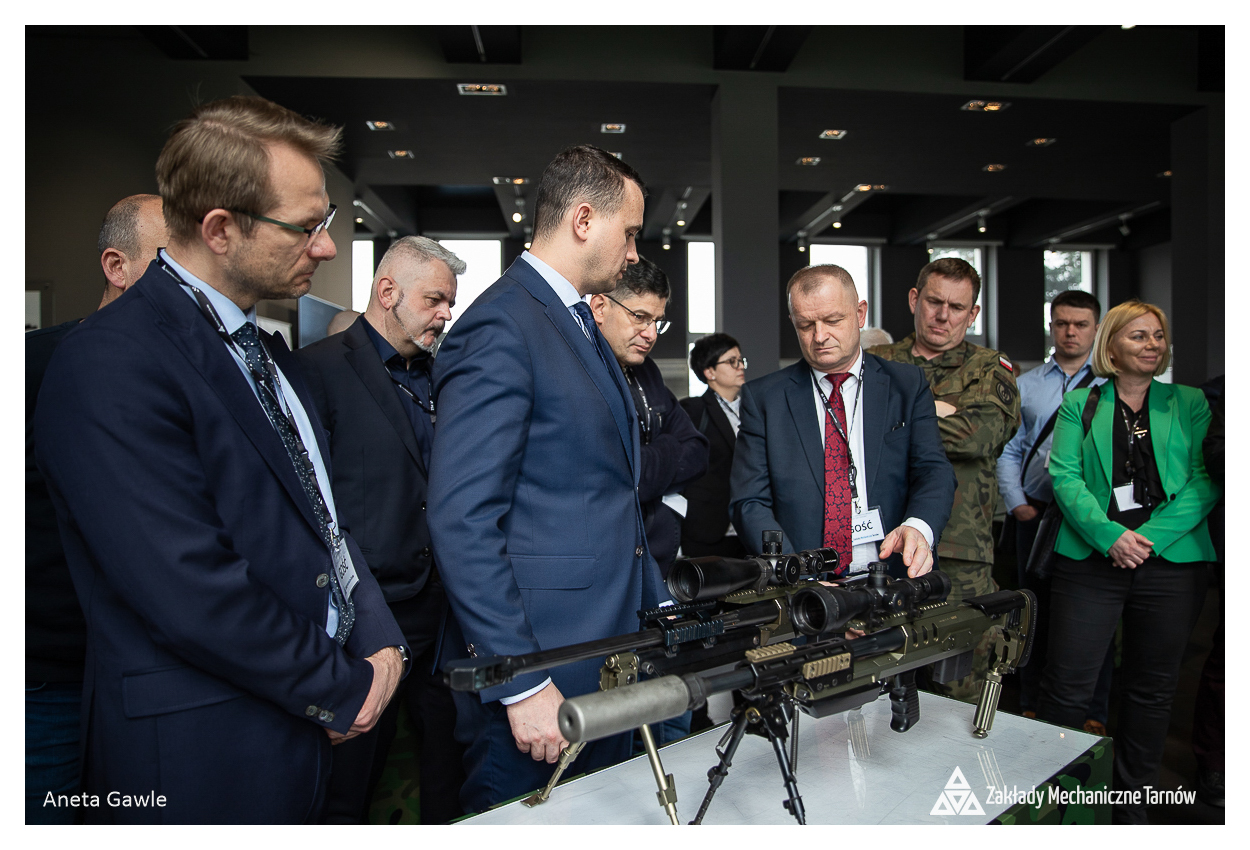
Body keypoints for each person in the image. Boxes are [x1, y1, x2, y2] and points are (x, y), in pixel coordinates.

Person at [34, 96, 406, 824]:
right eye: (306, 227)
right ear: (220, 229)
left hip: (304, 728)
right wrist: (341, 686)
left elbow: (324, 522)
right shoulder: (110, 362)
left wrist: (380, 640)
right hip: (203, 750)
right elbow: (189, 588)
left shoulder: (268, 356)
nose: (327, 248)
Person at [427, 144, 669, 813]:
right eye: (630, 233)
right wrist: (522, 683)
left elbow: (603, 491)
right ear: (584, 220)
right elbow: (462, 518)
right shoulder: (502, 325)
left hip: (603, 650)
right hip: (541, 667)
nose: (633, 254)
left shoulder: (576, 321)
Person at [293, 236, 467, 824]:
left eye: (450, 303)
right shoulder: (316, 369)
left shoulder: (446, 375)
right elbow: (314, 505)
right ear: (387, 291)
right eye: (435, 300)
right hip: (365, 611)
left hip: (444, 608)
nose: (446, 314)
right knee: (352, 779)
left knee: (447, 765)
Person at [1037, 300, 1219, 824]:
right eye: (1139, 335)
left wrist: (1147, 540)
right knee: (1067, 691)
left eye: (1158, 335)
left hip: (1172, 565)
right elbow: (1064, 476)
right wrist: (1111, 536)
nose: (1152, 344)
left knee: (1151, 692)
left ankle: (1132, 808)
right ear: (1112, 345)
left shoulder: (1190, 401)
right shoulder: (1080, 403)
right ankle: (1061, 807)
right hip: (1090, 562)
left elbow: (1205, 481)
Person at [26, 194, 167, 824]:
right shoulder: (35, 365)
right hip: (49, 675)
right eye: (168, 261)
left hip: (144, 674)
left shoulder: (190, 380)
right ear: (117, 266)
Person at [730, 264, 955, 579]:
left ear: (860, 314)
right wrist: (795, 575)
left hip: (896, 575)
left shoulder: (906, 385)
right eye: (806, 325)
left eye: (833, 320)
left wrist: (919, 527)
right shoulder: (765, 399)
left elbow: (934, 470)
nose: (820, 336)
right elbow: (749, 502)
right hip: (807, 590)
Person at [870, 257, 1019, 701]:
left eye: (957, 307)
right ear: (914, 299)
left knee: (959, 682)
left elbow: (980, 436)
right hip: (878, 546)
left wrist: (900, 418)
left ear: (973, 314)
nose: (943, 316)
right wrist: (939, 411)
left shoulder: (990, 368)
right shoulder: (877, 362)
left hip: (959, 550)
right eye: (934, 302)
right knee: (876, 677)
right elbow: (851, 431)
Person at [995, 289, 1112, 729]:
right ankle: (1031, 702)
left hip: (1092, 517)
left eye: (1080, 324)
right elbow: (1009, 449)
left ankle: (1093, 711)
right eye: (1062, 323)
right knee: (1033, 612)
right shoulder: (1026, 385)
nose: (1070, 332)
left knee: (1093, 615)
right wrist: (1017, 504)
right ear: (1051, 326)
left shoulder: (1110, 384)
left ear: (1096, 329)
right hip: (1037, 513)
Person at [588, 255, 708, 577]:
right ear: (600, 307)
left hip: (654, 560)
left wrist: (648, 459)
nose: (651, 334)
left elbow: (698, 451)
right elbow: (615, 477)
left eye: (657, 322)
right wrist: (669, 447)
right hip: (604, 561)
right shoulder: (580, 373)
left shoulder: (647, 371)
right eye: (640, 317)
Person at [679, 333, 749, 559]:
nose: (740, 366)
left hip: (748, 528)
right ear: (710, 372)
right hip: (707, 527)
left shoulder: (753, 410)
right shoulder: (693, 410)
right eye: (731, 361)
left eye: (740, 360)